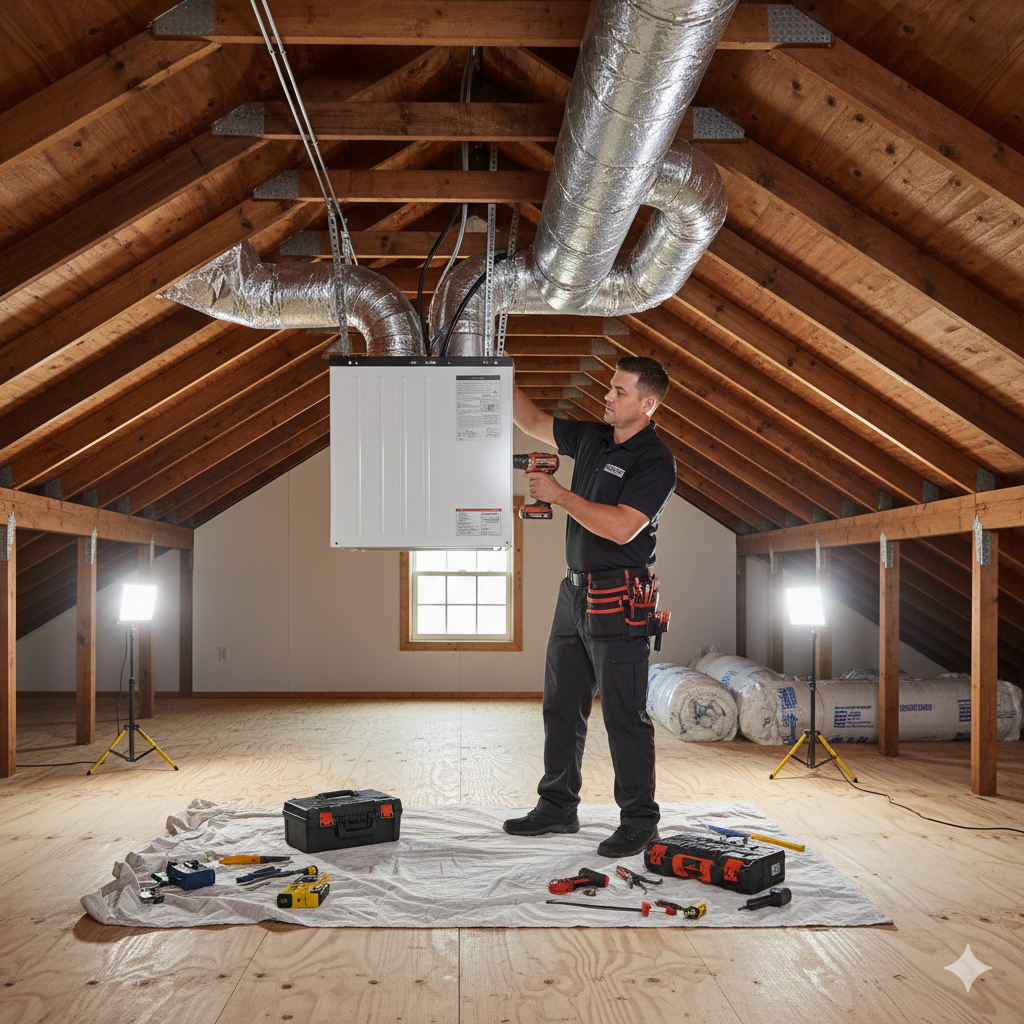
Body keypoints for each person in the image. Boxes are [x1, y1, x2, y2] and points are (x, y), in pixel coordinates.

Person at [504, 356, 676, 858]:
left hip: (619, 595)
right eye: (610, 388)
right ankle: (558, 805)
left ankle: (641, 820)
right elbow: (533, 422)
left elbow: (623, 527)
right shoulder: (592, 438)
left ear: (647, 404)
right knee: (562, 703)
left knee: (624, 714)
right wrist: (504, 377)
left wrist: (560, 495)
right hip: (573, 591)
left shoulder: (654, 460)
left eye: (620, 391)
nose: (608, 397)